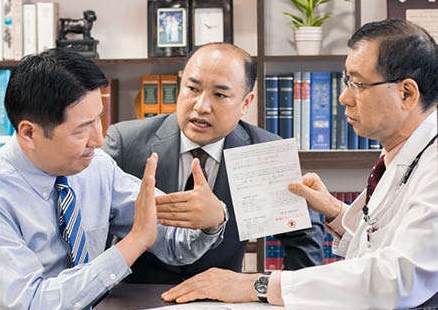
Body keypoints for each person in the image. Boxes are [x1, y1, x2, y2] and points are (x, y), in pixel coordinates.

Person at [0, 48, 227, 310]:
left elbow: (174, 244)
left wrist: (212, 221)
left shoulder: (97, 166)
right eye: (82, 129)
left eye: (99, 120)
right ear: (28, 132)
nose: (99, 139)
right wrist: (132, 243)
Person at [162, 19, 438, 310]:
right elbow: (385, 243)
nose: (344, 97)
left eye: (358, 84)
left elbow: (400, 276)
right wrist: (334, 211)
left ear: (406, 93)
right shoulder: (402, 155)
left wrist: (258, 284)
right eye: (347, 82)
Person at [103, 42, 324, 284]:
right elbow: (92, 234)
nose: (201, 106)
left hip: (220, 305)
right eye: (192, 89)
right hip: (133, 303)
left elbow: (304, 238)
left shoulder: (262, 151)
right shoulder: (126, 143)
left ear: (246, 103)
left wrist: (279, 295)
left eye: (219, 95)